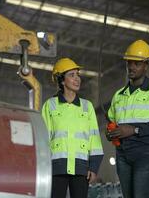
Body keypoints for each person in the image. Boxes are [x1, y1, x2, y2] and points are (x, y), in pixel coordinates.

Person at [107, 39, 149, 198]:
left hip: (147, 153)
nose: (131, 67)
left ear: (146, 65)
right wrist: (110, 131)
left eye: (136, 63)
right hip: (123, 154)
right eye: (129, 63)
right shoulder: (119, 95)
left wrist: (134, 130)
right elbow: (111, 120)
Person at [42, 58, 104, 198]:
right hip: (56, 167)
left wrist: (93, 167)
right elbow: (44, 139)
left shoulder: (87, 107)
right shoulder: (50, 105)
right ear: (62, 80)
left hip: (81, 168)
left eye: (78, 75)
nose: (77, 79)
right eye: (72, 75)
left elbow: (94, 140)